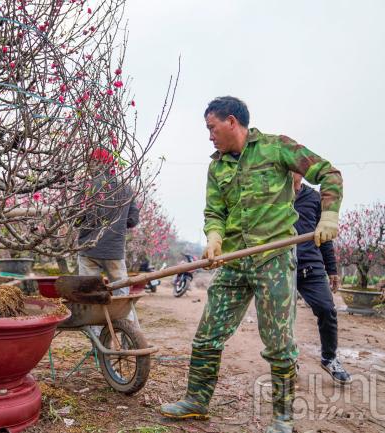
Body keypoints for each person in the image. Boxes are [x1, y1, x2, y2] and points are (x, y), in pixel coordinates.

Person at [159, 96, 343, 433]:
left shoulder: (276, 148)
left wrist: (329, 215)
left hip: (273, 258)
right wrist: (214, 238)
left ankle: (283, 418)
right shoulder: (217, 167)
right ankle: (196, 400)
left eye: (211, 128)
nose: (209, 136)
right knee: (207, 336)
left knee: (279, 343)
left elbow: (328, 173)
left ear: (232, 122)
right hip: (234, 260)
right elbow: (214, 212)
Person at [293, 172, 351, 384]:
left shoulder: (314, 198)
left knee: (327, 309)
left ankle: (329, 358)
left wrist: (332, 270)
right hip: (281, 265)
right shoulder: (275, 197)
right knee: (283, 317)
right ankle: (288, 361)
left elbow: (325, 237)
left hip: (310, 264)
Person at [77, 148, 139, 299]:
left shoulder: (87, 187)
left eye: (91, 162)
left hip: (88, 250)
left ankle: (93, 323)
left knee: (89, 294)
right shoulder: (126, 188)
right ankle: (124, 320)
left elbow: (75, 218)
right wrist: (117, 224)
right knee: (121, 292)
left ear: (97, 163)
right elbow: (133, 219)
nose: (89, 166)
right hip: (114, 250)